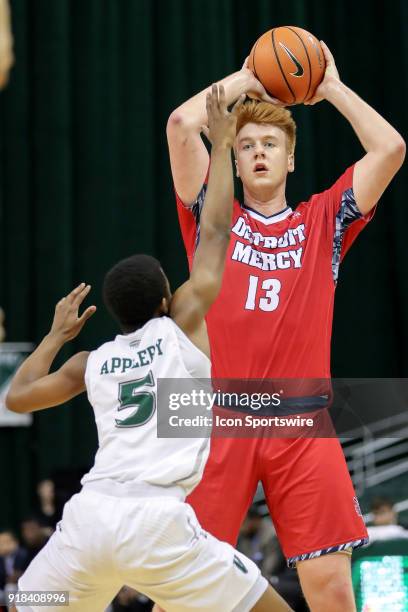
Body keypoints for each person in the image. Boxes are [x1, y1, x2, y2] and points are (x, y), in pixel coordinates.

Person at [6, 86, 292, 612]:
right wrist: (224, 147)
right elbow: (216, 230)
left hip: (88, 522)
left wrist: (54, 336)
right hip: (157, 524)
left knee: (29, 600)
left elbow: (18, 398)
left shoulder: (88, 362)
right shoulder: (180, 326)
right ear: (167, 297)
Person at [166, 42, 406, 612]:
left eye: (270, 144)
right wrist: (249, 80)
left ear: (290, 159)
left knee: (331, 590)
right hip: (219, 420)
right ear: (234, 158)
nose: (257, 153)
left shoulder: (325, 219)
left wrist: (330, 88)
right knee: (184, 594)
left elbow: (392, 148)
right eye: (245, 145)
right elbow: (181, 123)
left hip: (301, 423)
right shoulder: (211, 216)